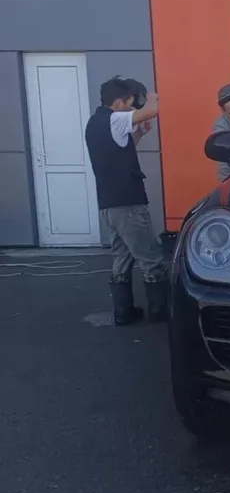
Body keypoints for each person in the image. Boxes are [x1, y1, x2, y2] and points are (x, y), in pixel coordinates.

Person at [84, 77, 169, 326]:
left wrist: (139, 132)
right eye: (130, 104)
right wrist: (151, 96)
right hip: (129, 205)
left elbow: (122, 147)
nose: (133, 110)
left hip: (108, 205)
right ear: (119, 102)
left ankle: (123, 312)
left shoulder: (94, 123)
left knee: (121, 257)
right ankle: (160, 312)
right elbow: (151, 110)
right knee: (150, 257)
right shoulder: (115, 117)